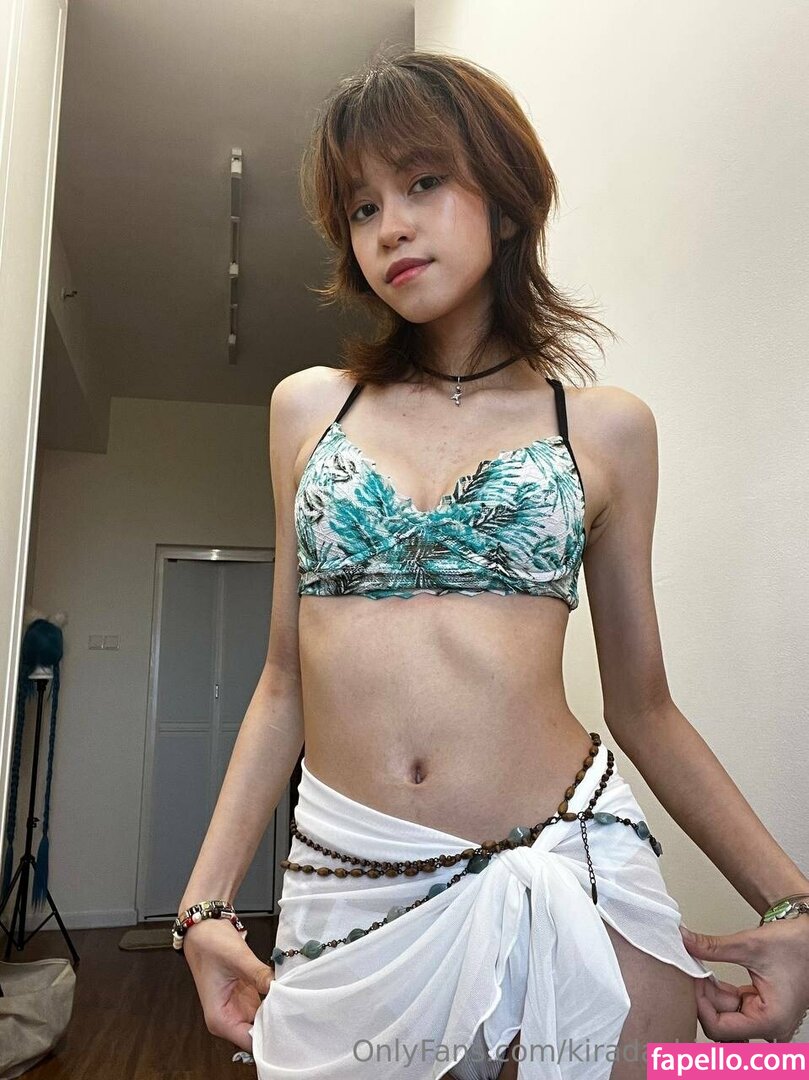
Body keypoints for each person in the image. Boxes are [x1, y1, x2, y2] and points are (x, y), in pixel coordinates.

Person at [174, 49, 809, 1078]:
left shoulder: (604, 430)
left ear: (506, 203)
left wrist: (793, 906)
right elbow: (283, 681)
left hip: (572, 863)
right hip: (351, 880)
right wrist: (202, 906)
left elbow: (644, 707)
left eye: (422, 182)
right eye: (361, 206)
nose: (389, 225)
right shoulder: (308, 409)